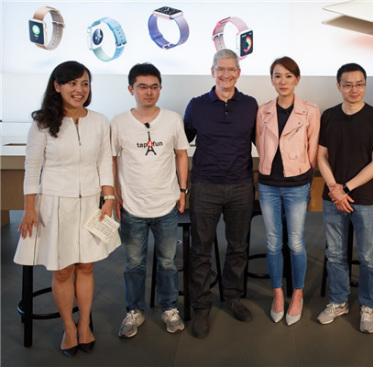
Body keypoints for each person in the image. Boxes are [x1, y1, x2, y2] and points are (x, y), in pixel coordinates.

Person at [14, 61, 120, 356]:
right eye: (72, 83)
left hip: (90, 204)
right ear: (57, 86)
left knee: (86, 265)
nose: (79, 89)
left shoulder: (99, 120)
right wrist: (30, 208)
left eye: (84, 83)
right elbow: (33, 167)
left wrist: (109, 198)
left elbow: (103, 162)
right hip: (55, 203)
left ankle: (84, 324)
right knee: (62, 271)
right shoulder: (42, 123)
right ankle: (68, 327)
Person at [111, 63, 190, 338]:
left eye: (154, 86)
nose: (149, 92)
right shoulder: (119, 122)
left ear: (160, 88)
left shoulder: (172, 119)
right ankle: (134, 310)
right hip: (132, 206)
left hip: (166, 203)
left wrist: (183, 191)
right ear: (131, 89)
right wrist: (114, 194)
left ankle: (169, 307)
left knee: (167, 262)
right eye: (142, 86)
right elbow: (112, 158)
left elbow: (182, 154)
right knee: (134, 264)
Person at [184, 49, 258, 338]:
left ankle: (233, 296)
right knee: (200, 249)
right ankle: (201, 306)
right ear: (212, 71)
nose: (226, 74)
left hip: (241, 185)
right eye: (220, 69)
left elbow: (263, 144)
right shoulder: (197, 105)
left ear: (238, 73)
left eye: (231, 69)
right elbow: (182, 142)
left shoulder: (251, 105)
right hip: (205, 186)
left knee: (238, 246)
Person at [316, 63, 373, 333]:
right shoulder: (329, 116)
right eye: (347, 84)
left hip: (366, 198)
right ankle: (339, 301)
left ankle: (368, 305)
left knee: (369, 257)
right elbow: (321, 156)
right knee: (335, 253)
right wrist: (335, 189)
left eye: (359, 84)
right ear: (338, 86)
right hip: (332, 197)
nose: (354, 89)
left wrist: (344, 189)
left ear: (365, 85)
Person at [256, 56, 320, 325]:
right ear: (271, 79)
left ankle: (297, 294)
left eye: (288, 76)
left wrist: (303, 174)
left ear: (297, 79)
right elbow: (260, 144)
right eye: (277, 76)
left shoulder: (310, 110)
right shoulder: (262, 111)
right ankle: (278, 294)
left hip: (297, 185)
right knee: (273, 242)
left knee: (295, 242)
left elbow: (313, 149)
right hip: (269, 185)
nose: (282, 81)